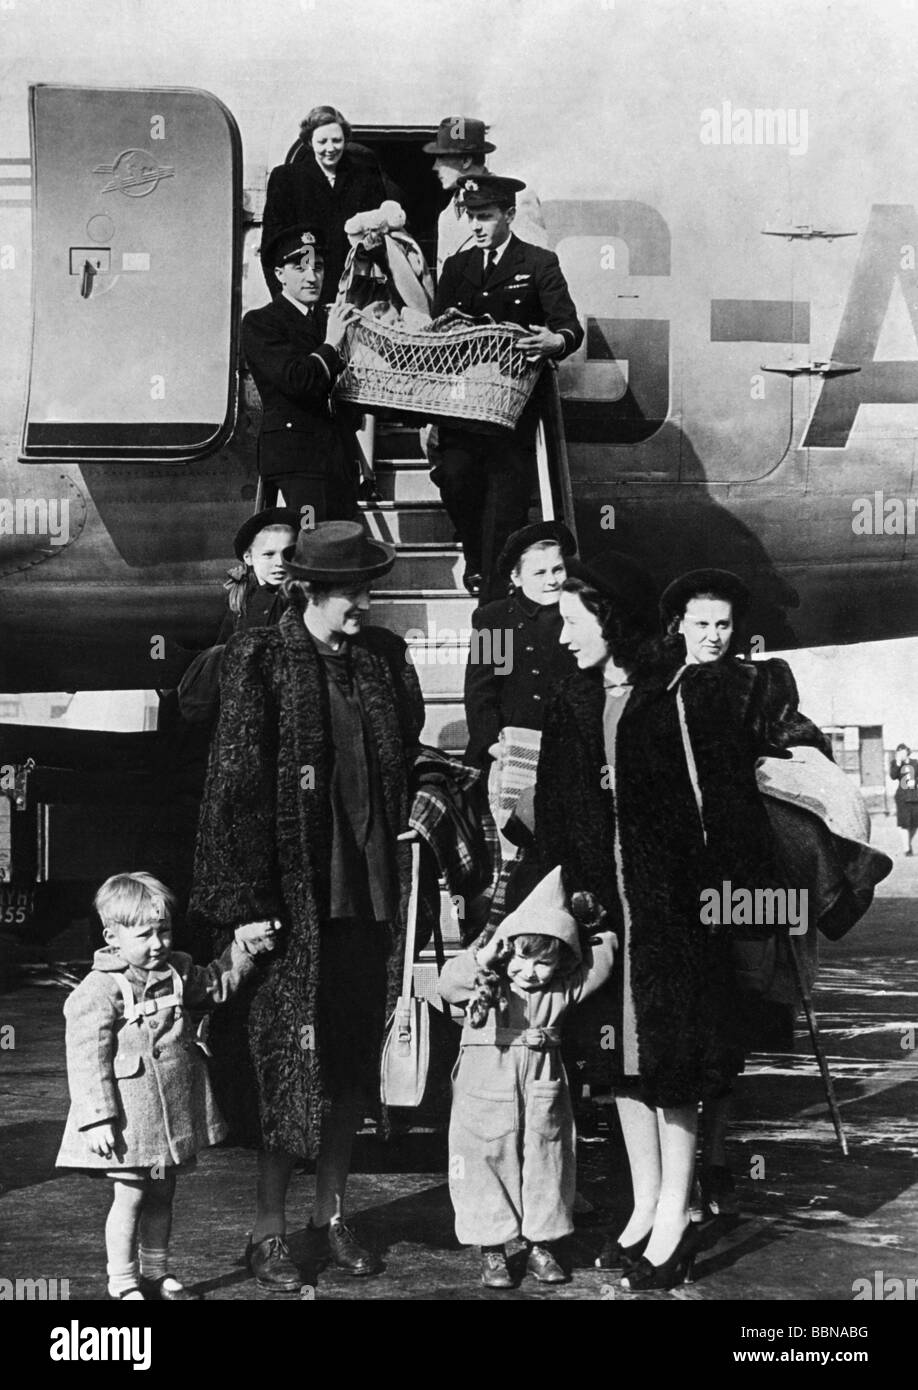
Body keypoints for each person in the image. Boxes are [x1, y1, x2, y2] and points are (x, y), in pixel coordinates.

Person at [188, 521, 435, 1290]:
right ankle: (266, 1232)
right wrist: (241, 907)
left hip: (366, 895)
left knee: (350, 1065)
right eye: (353, 591)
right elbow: (232, 787)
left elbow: (413, 752)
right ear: (311, 591)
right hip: (292, 904)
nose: (366, 602)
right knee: (285, 1068)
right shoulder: (260, 660)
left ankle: (329, 1216)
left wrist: (427, 796)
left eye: (370, 588)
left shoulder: (385, 661)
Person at [55, 872, 277, 1301]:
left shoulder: (176, 970)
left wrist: (245, 947)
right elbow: (85, 1057)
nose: (157, 943)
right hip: (128, 1121)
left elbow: (215, 985)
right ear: (112, 937)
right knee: (131, 1197)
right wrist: (96, 1117)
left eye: (164, 931)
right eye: (144, 935)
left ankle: (156, 1274)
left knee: (162, 1191)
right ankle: (122, 1284)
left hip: (168, 1121)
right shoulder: (100, 989)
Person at [439, 866, 615, 1288]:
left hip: (543, 1085)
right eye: (523, 957)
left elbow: (604, 954)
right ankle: (493, 1250)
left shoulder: (561, 988)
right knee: (486, 1160)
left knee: (548, 1160)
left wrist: (586, 921)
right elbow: (447, 984)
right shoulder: (485, 983)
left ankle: (542, 1245)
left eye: (545, 961)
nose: (532, 971)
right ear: (506, 951)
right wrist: (485, 955)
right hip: (485, 1090)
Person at [431, 174, 583, 600]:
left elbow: (568, 325)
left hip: (512, 413)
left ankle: (492, 600)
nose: (476, 226)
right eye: (471, 217)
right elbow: (441, 330)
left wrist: (557, 342)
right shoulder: (456, 268)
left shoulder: (537, 263)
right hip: (463, 410)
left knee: (505, 509)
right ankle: (477, 557)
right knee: (455, 480)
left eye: (485, 217)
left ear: (509, 215)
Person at [243, 225, 360, 517]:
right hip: (297, 462)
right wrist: (332, 343)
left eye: (318, 267)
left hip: (337, 458)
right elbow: (299, 380)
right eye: (301, 267)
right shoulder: (261, 323)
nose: (312, 277)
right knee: (310, 541)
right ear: (279, 274)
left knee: (340, 547)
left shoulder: (326, 320)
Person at [464, 520, 578, 768]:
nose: (552, 581)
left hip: (569, 748)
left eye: (557, 570)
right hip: (510, 751)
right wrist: (494, 745)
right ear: (516, 577)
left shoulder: (579, 614)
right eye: (539, 573)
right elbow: (481, 691)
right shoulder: (497, 620)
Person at [261, 104, 388, 303]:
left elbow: (381, 241)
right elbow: (272, 247)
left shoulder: (365, 178)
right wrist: (286, 302)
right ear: (310, 142)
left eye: (337, 140)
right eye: (322, 141)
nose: (330, 148)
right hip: (305, 291)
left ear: (345, 140)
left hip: (353, 295)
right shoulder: (286, 179)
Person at [424, 115, 549, 274]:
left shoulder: (516, 198)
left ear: (465, 161)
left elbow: (537, 267)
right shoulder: (446, 216)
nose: (435, 166)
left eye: (441, 158)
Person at [889, 742, 918, 855]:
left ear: (907, 752)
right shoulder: (895, 763)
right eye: (899, 751)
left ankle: (908, 843)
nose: (901, 753)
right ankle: (907, 848)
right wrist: (898, 763)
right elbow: (893, 776)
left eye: (903, 751)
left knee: (915, 823)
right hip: (902, 796)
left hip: (915, 796)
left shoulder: (915, 763)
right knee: (904, 823)